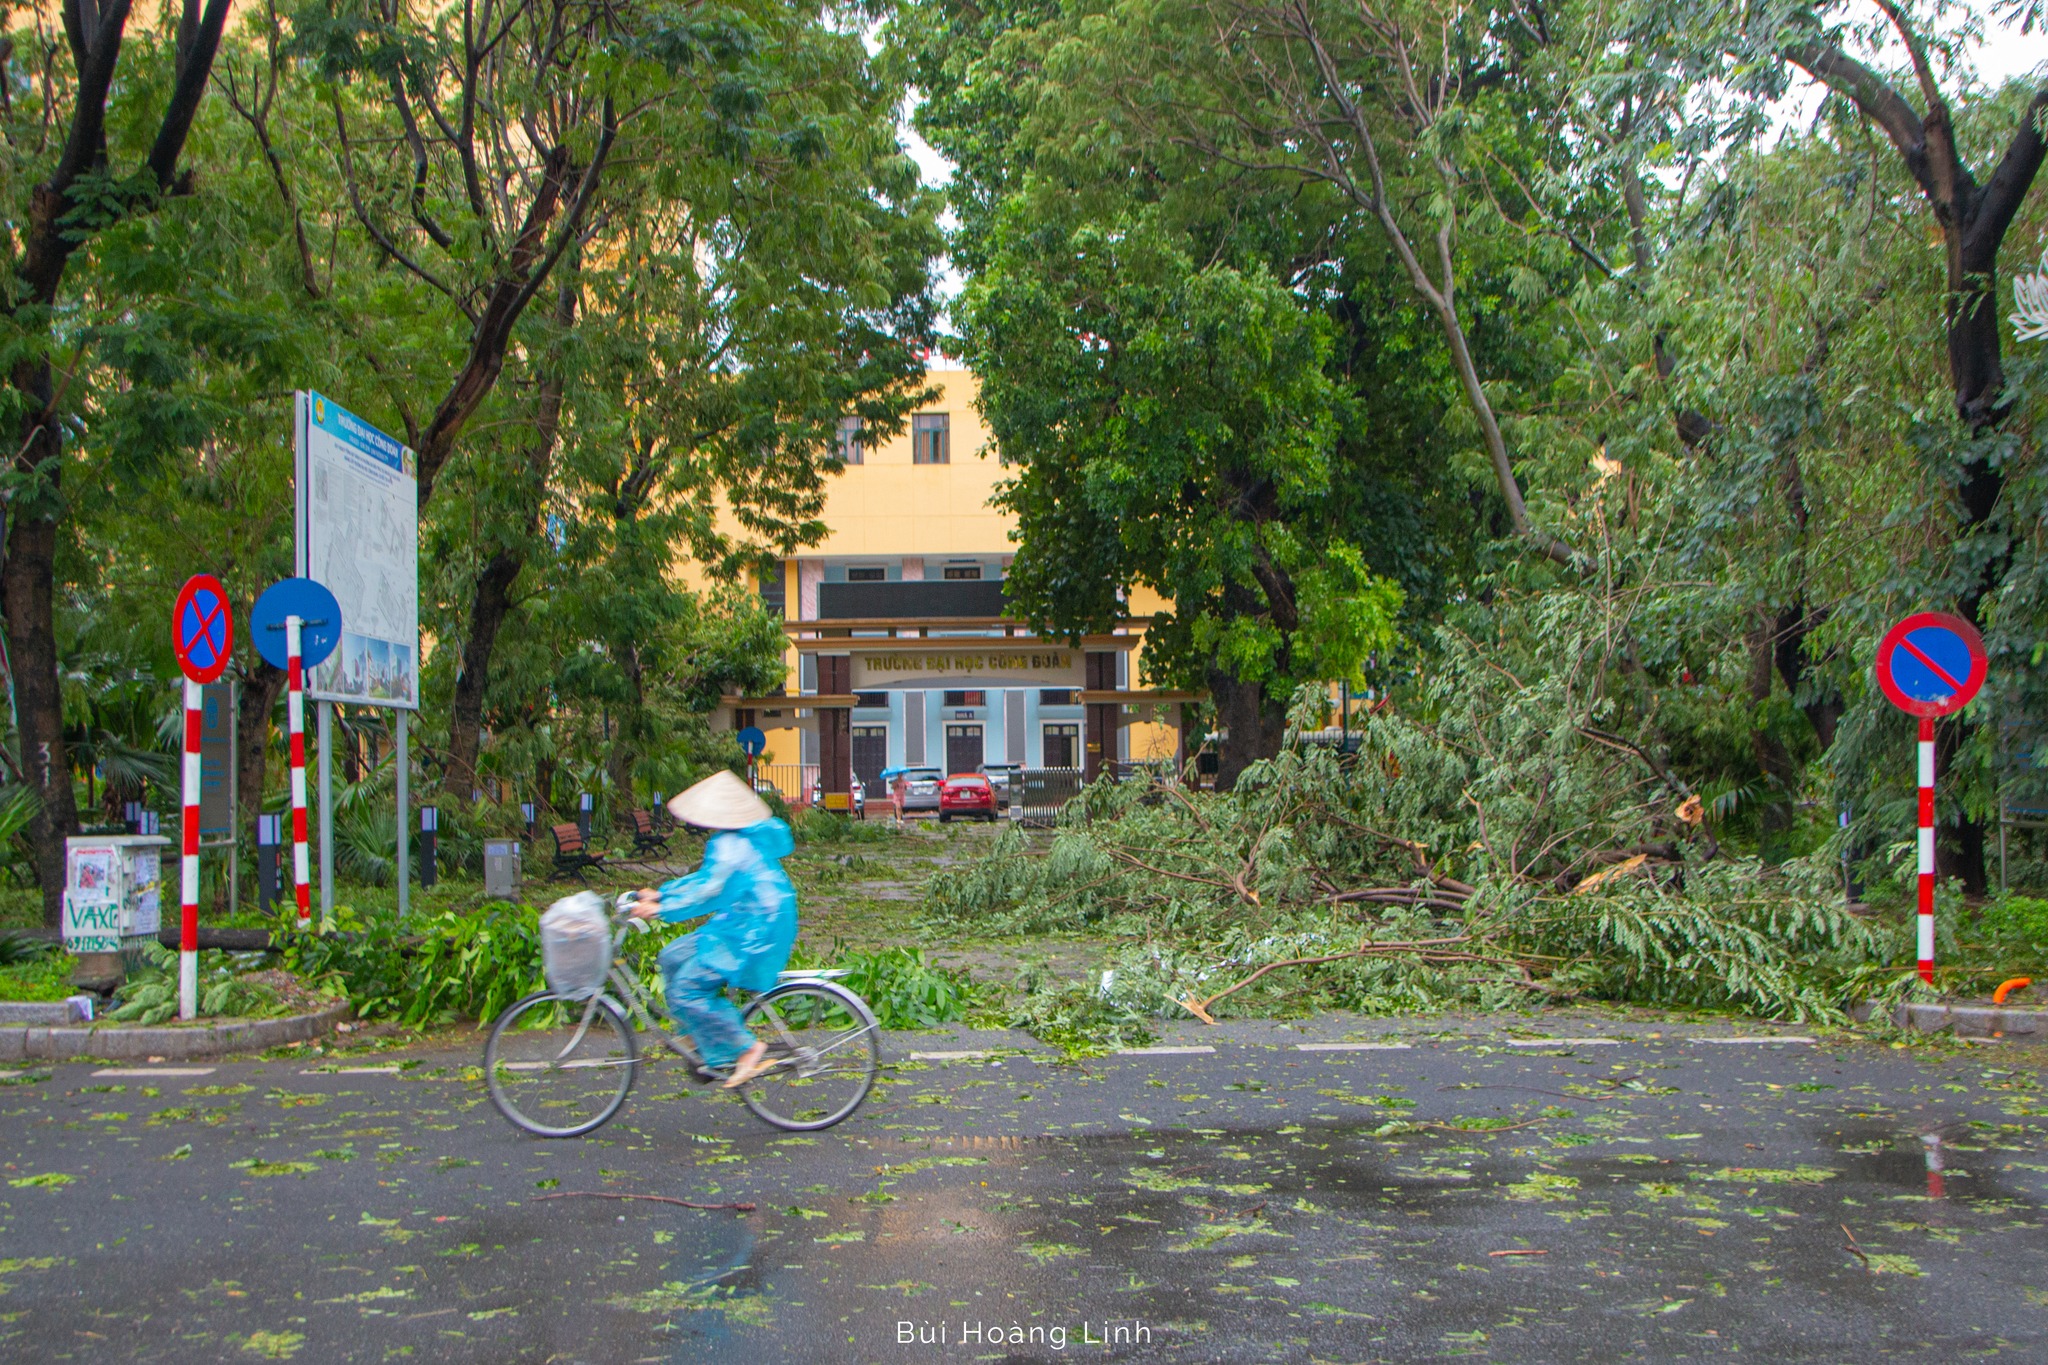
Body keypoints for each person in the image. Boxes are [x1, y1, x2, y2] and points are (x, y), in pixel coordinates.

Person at [631, 770, 798, 1088]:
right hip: (743, 921)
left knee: (687, 989)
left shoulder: (732, 844)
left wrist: (662, 908)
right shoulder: (735, 837)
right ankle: (698, 1031)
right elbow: (703, 880)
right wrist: (662, 894)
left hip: (755, 930)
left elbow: (709, 891)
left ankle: (747, 1049)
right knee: (671, 957)